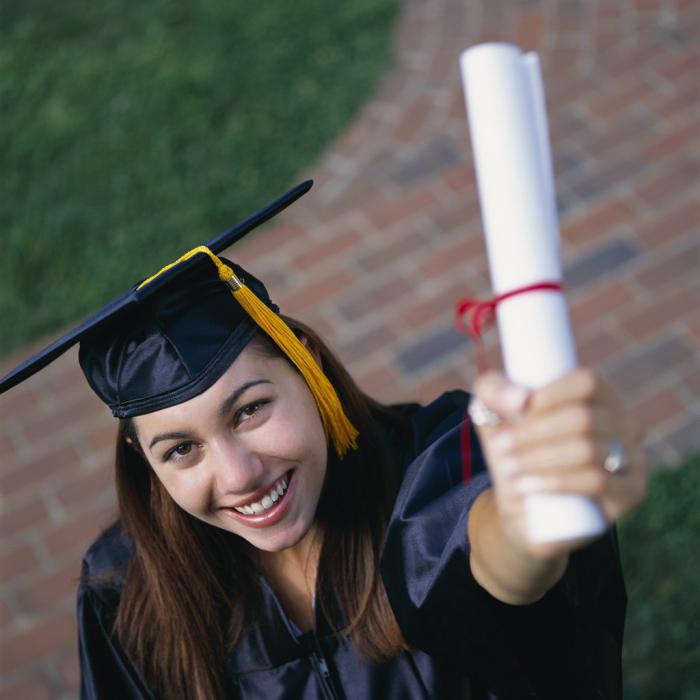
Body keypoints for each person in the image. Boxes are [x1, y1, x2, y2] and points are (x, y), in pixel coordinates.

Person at [0, 181, 647, 699]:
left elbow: (483, 552)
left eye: (250, 410)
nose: (238, 475)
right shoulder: (124, 589)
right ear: (142, 459)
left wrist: (529, 516)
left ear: (304, 361)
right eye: (180, 449)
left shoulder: (434, 456)